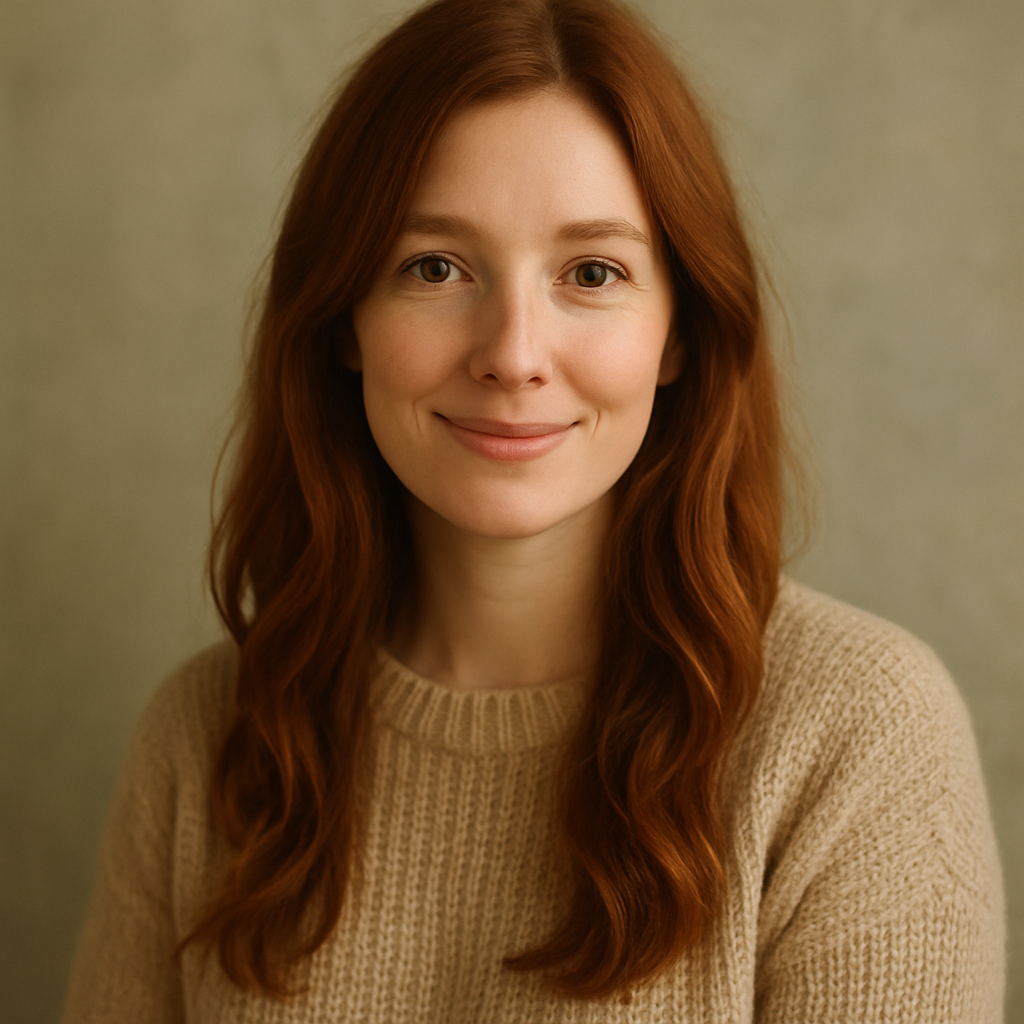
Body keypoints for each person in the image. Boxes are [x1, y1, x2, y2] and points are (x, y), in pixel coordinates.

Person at [61, 0, 1005, 1020]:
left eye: (591, 272)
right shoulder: (205, 737)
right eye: (434, 267)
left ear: (677, 335)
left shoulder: (855, 738)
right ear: (343, 320)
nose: (512, 353)